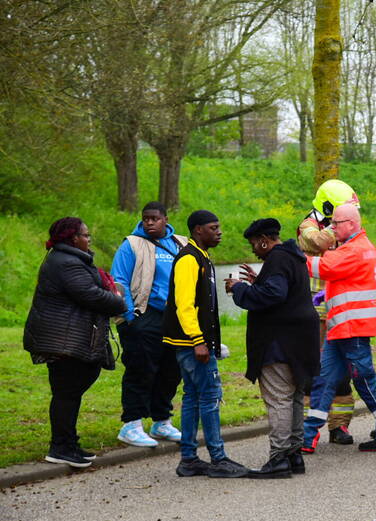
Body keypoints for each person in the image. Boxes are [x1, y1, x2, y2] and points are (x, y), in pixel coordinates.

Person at [24, 217, 126, 468]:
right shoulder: (67, 263)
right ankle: (60, 447)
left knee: (70, 392)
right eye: (86, 235)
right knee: (66, 393)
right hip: (62, 340)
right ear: (73, 238)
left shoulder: (68, 259)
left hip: (69, 338)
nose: (89, 239)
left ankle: (69, 443)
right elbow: (90, 295)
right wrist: (117, 299)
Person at [226, 218, 320, 479]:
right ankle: (294, 455)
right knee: (295, 398)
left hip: (280, 341)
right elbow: (283, 290)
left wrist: (240, 288)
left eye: (254, 244)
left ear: (264, 240)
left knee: (279, 399)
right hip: (301, 340)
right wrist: (259, 281)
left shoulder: (277, 260)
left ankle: (278, 458)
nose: (254, 250)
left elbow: (274, 295)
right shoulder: (293, 256)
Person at [306, 203, 376, 452]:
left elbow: (323, 267)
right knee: (324, 379)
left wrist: (292, 256)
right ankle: (307, 436)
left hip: (352, 328)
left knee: (364, 380)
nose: (332, 227)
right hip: (342, 328)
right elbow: (348, 280)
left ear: (351, 223)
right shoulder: (360, 248)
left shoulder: (354, 249)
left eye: (336, 223)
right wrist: (327, 293)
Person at [163, 210, 248, 478]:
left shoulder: (203, 256)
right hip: (192, 344)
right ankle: (218, 457)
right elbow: (183, 305)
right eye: (213, 227)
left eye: (219, 226)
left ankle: (189, 458)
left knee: (193, 397)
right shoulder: (189, 259)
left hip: (195, 342)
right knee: (210, 397)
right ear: (198, 230)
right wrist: (198, 341)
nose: (219, 232)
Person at [110, 201, 186, 448]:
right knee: (141, 369)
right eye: (146, 219)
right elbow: (119, 281)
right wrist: (131, 317)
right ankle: (131, 424)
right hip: (144, 315)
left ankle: (161, 421)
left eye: (155, 218)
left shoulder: (180, 243)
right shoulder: (131, 244)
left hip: (174, 318)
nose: (150, 222)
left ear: (166, 219)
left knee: (170, 370)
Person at [297, 179, 361, 449]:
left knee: (343, 373)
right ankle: (306, 429)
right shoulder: (308, 227)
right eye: (337, 213)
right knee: (314, 373)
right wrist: (344, 227)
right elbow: (319, 241)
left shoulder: (339, 227)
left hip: (339, 311)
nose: (340, 221)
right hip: (314, 315)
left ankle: (340, 425)